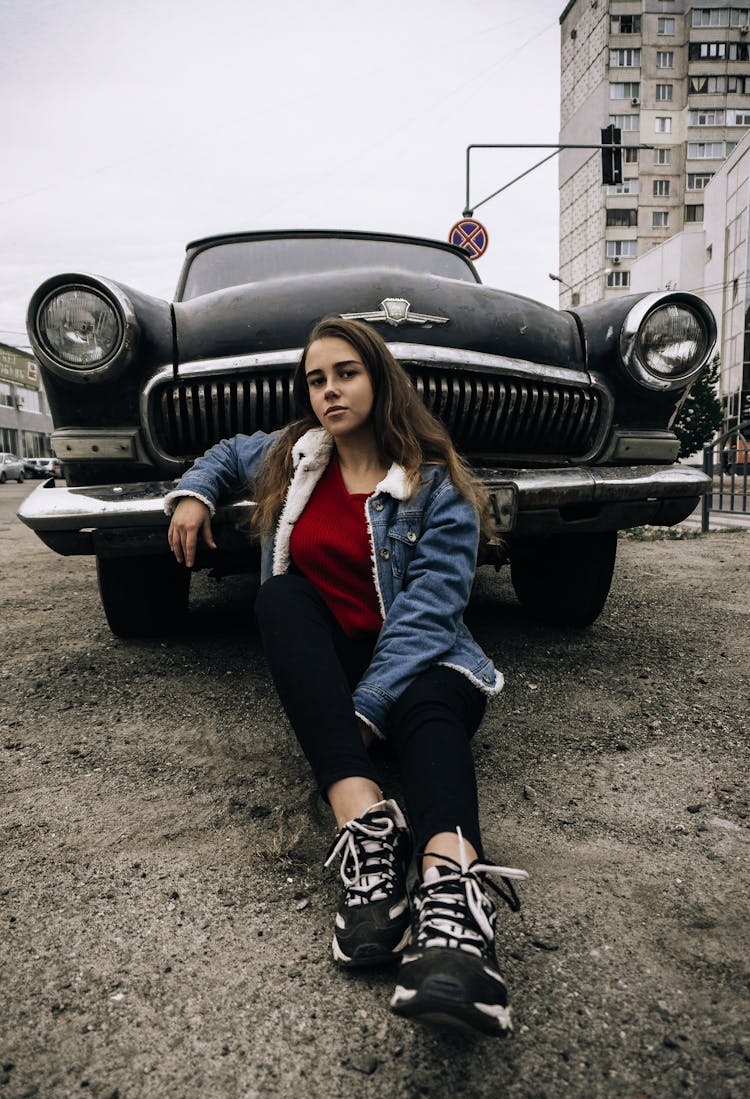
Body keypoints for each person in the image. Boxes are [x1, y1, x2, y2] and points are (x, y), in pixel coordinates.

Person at [165, 317, 528, 1036]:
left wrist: (361, 711)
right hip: (337, 664)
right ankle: (366, 831)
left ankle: (454, 914)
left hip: (428, 662)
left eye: (346, 373)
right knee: (280, 596)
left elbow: (427, 617)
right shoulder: (296, 454)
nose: (329, 390)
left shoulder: (435, 483)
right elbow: (224, 453)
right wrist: (194, 494)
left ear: (379, 377)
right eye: (316, 379)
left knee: (426, 706)